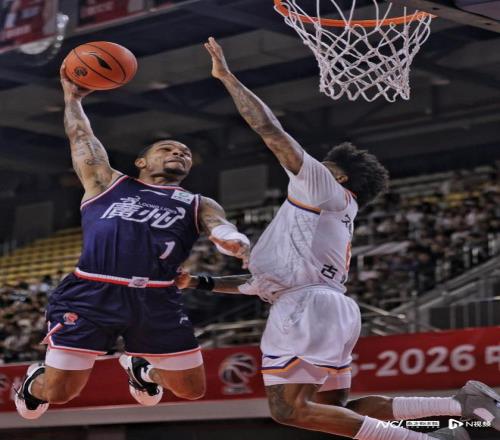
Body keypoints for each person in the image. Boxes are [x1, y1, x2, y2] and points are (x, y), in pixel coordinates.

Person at [176, 37, 500, 440]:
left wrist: (227, 78)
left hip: (307, 307)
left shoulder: (323, 189)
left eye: (323, 164)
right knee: (335, 411)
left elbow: (268, 129)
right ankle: (459, 408)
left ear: (340, 176)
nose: (310, 166)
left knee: (289, 410)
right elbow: (254, 284)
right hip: (326, 305)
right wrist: (199, 282)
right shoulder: (320, 217)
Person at [14, 63, 250, 419]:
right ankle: (34, 381)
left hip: (156, 297)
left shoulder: (197, 202)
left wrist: (231, 240)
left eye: (185, 153)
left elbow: (219, 225)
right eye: (167, 148)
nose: (179, 153)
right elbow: (81, 137)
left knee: (192, 389)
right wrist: (72, 99)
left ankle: (143, 370)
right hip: (92, 292)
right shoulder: (108, 183)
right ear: (141, 161)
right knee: (60, 393)